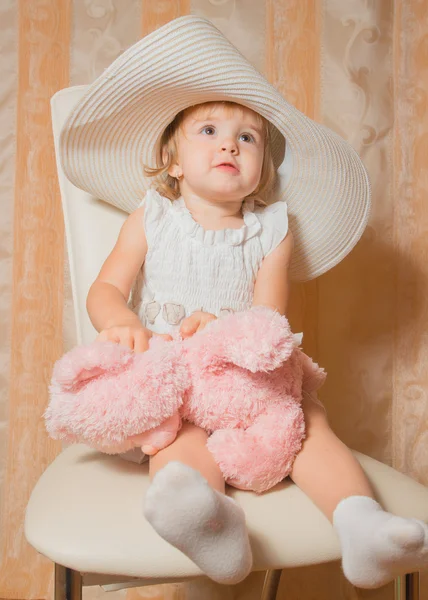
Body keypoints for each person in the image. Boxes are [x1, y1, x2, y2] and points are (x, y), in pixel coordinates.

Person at [59, 16, 428, 588]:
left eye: (247, 137)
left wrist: (226, 331)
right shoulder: (151, 217)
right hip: (172, 369)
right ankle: (207, 518)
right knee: (178, 437)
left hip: (241, 372)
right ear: (174, 162)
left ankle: (362, 522)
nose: (229, 142)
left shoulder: (273, 228)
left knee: (310, 422)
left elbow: (270, 317)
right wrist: (122, 322)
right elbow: (105, 288)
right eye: (208, 130)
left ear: (260, 175)